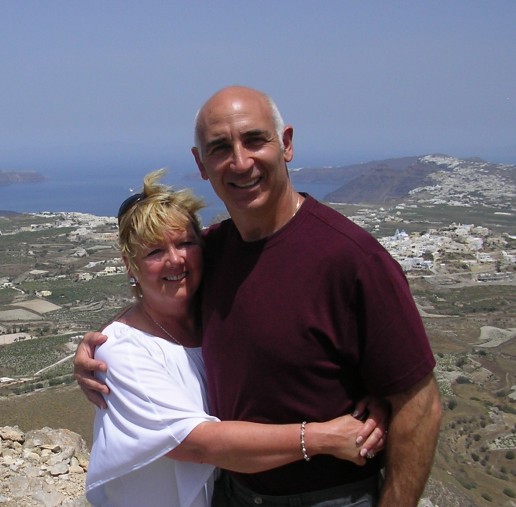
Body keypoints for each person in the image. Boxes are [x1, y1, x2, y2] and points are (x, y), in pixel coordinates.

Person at [76, 86, 442, 507]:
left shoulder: (352, 259)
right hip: (234, 493)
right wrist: (104, 343)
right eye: (219, 148)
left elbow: (421, 405)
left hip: (329, 497)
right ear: (201, 163)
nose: (240, 162)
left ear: (285, 144)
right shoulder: (212, 251)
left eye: (254, 140)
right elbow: (163, 289)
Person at [86, 168, 385, 507]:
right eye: (154, 252)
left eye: (185, 242)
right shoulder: (121, 352)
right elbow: (199, 444)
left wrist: (370, 391)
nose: (175, 259)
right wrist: (322, 437)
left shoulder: (211, 312)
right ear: (130, 264)